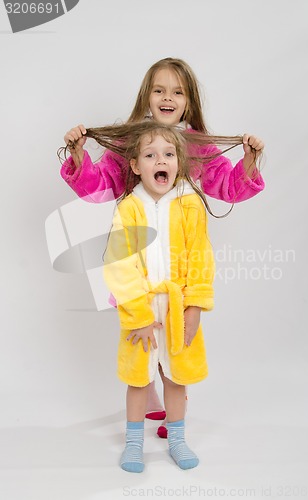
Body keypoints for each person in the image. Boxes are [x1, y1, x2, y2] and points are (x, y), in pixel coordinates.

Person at [61, 57, 265, 437]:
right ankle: (149, 395)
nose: (167, 97)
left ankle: (174, 415)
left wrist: (249, 163)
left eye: (177, 91)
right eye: (159, 90)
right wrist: (77, 157)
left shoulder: (199, 148)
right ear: (147, 96)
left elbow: (228, 187)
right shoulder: (129, 143)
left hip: (178, 263)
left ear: (189, 101)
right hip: (138, 260)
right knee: (145, 332)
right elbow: (99, 186)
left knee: (174, 338)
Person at [102, 121, 216, 472]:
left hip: (178, 306)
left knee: (176, 377)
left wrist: (195, 305)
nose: (160, 160)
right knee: (138, 380)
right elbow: (120, 263)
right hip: (141, 309)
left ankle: (178, 439)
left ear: (178, 162)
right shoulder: (129, 209)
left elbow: (201, 256)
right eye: (150, 155)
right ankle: (134, 443)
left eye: (168, 154)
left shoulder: (190, 205)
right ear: (135, 165)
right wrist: (139, 314)